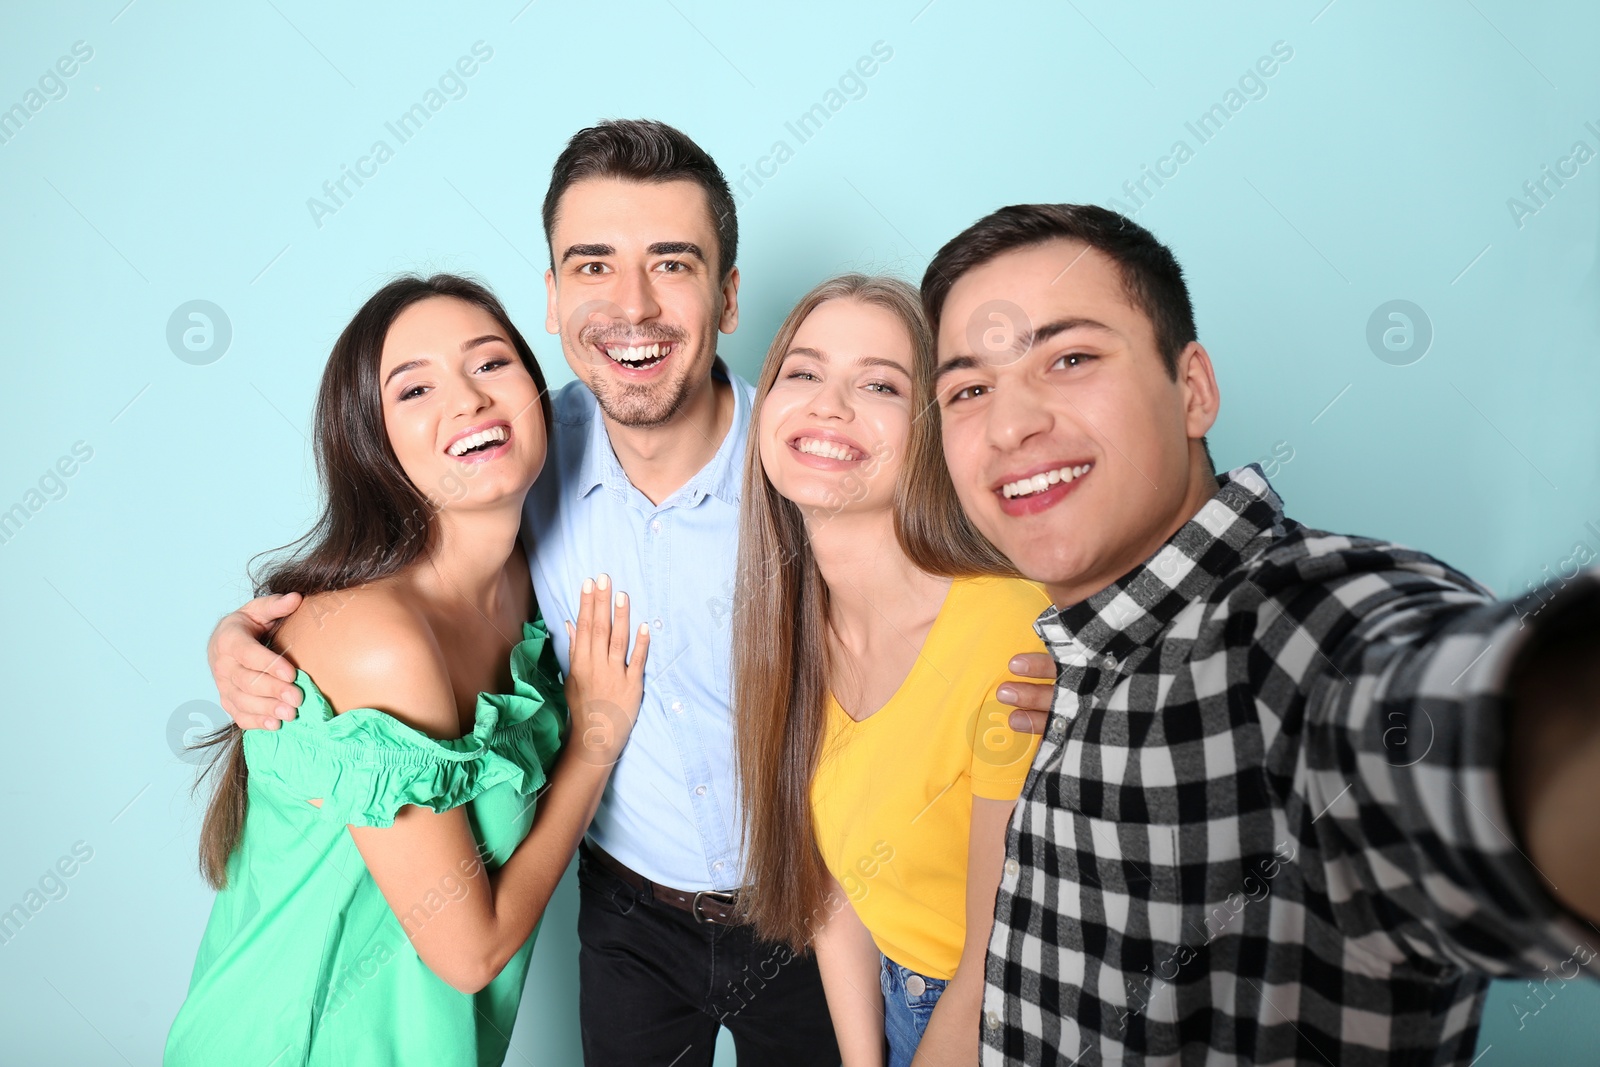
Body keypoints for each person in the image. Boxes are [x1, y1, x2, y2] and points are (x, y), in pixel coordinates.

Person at [201, 121, 840, 1066]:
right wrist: (240, 638)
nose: (632, 304)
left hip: (805, 899)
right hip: (595, 931)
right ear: (551, 296)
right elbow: (364, 603)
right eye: (592, 266)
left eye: (671, 263)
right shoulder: (521, 468)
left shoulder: (803, 464)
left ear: (729, 293)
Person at [919, 203, 1600, 1065]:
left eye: (1072, 357)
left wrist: (1551, 739)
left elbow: (1429, 728)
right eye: (969, 389)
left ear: (1193, 388)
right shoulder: (1075, 658)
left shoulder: (1303, 625)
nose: (1011, 425)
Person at [166, 274, 649, 1066]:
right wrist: (593, 745)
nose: (467, 400)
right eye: (415, 388)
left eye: (490, 364)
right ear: (371, 441)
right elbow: (470, 953)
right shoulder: (380, 639)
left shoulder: (538, 585)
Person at [731, 274, 1049, 1067]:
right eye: (802, 373)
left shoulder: (1008, 627)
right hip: (904, 1007)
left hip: (1013, 1014)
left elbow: (993, 955)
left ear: (932, 429)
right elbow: (835, 894)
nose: (828, 405)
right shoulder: (793, 633)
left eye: (878, 383)